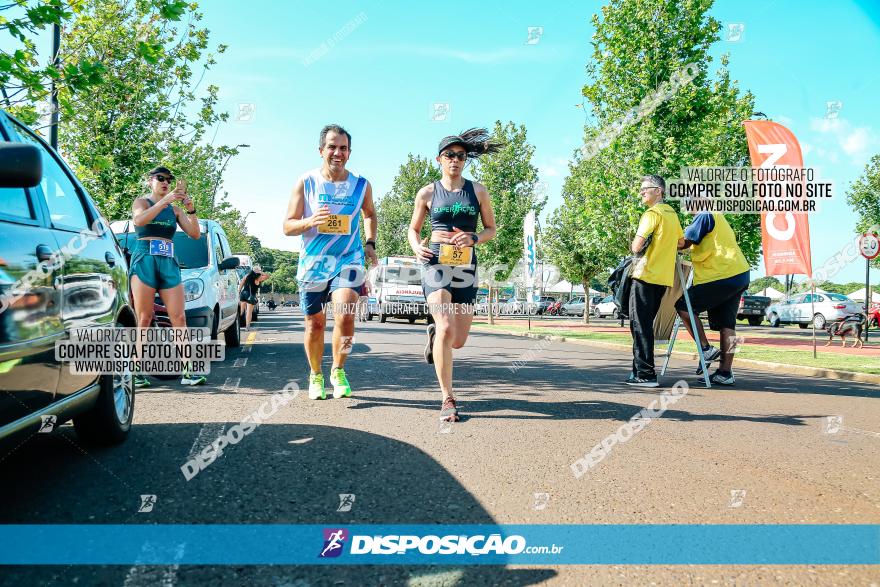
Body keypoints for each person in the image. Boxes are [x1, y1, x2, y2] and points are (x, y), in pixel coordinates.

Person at [408, 128, 499, 422]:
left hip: (465, 266)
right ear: (439, 159)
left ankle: (435, 334)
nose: (455, 160)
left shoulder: (478, 191)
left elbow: (491, 230)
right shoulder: (428, 192)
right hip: (435, 261)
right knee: (447, 324)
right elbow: (413, 229)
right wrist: (416, 248)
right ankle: (447, 398)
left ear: (465, 160)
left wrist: (474, 238)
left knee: (457, 340)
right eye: (450, 155)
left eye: (460, 156)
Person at [282, 124, 378, 400]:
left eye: (344, 148)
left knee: (346, 313)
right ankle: (315, 374)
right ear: (321, 150)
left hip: (349, 257)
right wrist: (310, 221)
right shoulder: (306, 182)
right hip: (314, 261)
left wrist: (369, 242)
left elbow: (369, 214)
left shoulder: (361, 184)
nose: (338, 153)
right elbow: (287, 226)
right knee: (315, 323)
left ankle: (338, 369)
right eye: (333, 147)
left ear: (349, 152)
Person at [130, 166, 205, 387]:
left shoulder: (174, 210)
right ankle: (136, 370)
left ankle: (189, 371)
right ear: (149, 181)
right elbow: (139, 221)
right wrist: (164, 201)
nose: (165, 183)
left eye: (168, 180)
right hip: (145, 258)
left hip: (168, 261)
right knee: (143, 318)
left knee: (179, 317)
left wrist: (190, 210)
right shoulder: (142, 202)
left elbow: (195, 234)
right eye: (160, 179)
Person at [676, 212, 750, 385]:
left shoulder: (704, 214)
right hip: (739, 274)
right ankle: (725, 373)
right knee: (728, 325)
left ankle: (706, 348)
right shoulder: (718, 216)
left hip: (721, 275)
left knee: (683, 306)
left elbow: (685, 242)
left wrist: (663, 241)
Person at [626, 174, 684, 388]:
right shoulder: (671, 214)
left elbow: (636, 246)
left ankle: (645, 374)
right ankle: (637, 371)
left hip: (645, 274)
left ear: (658, 191)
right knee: (645, 324)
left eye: (645, 189)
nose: (641, 192)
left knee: (639, 325)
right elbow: (680, 242)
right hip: (663, 278)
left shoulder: (652, 214)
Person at [239, 264, 269, 329]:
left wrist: (239, 292)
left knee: (241, 312)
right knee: (249, 313)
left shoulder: (246, 276)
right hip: (250, 296)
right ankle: (247, 327)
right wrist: (260, 272)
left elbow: (241, 284)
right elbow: (267, 276)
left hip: (243, 294)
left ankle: (236, 324)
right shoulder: (258, 278)